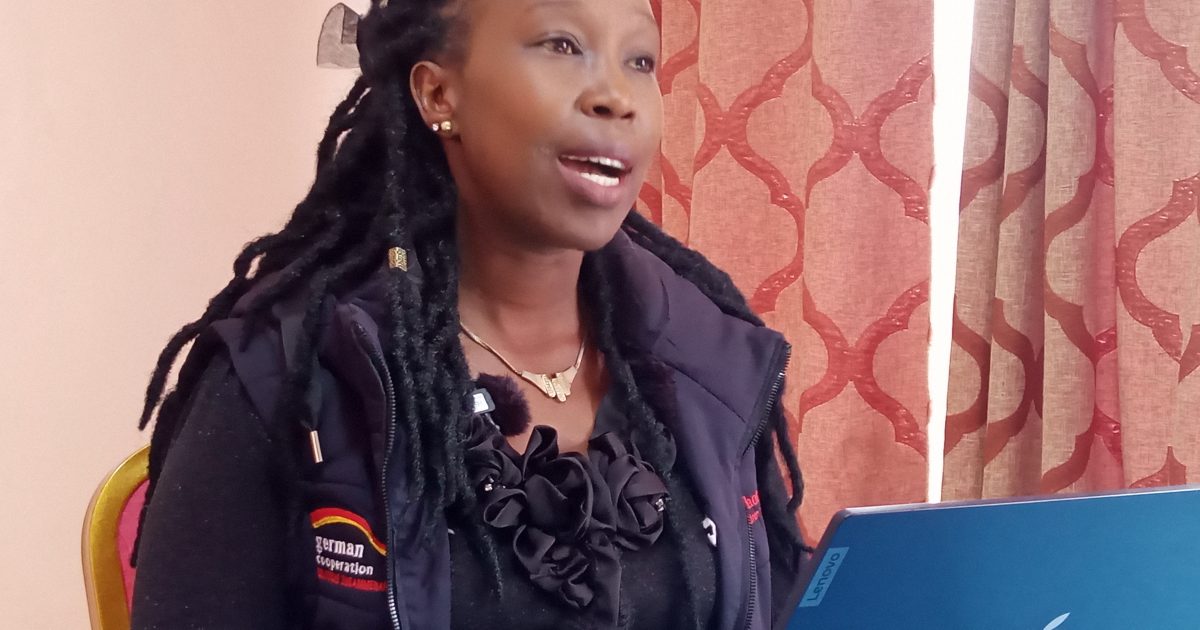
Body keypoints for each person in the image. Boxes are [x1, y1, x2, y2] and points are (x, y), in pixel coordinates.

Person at [130, 0, 809, 628]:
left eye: (640, 60)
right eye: (562, 45)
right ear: (438, 93)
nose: (617, 97)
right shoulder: (287, 378)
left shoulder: (709, 361)